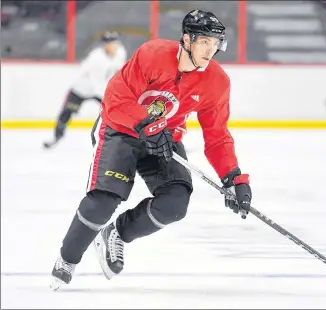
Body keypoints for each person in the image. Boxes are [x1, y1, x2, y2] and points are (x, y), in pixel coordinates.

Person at [50, 9, 252, 290]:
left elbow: (217, 135)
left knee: (175, 203)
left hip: (165, 137)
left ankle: (118, 233)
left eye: (216, 43)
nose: (211, 50)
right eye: (205, 41)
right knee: (104, 201)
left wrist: (233, 177)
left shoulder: (217, 83)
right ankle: (67, 260)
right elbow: (115, 100)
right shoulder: (152, 55)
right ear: (187, 39)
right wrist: (146, 124)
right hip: (121, 128)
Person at [43, 31, 127, 148]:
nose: (112, 45)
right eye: (108, 43)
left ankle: (122, 139)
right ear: (104, 45)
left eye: (114, 42)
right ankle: (56, 138)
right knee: (67, 112)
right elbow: (95, 83)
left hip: (101, 89)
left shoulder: (121, 53)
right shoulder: (96, 58)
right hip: (82, 89)